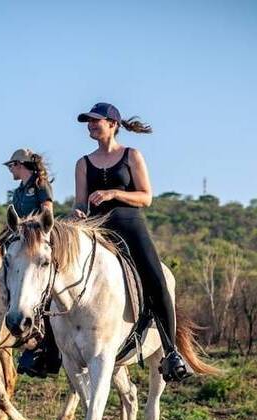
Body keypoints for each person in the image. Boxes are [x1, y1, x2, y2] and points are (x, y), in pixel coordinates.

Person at [73, 102, 192, 382]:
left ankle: (172, 352)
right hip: (97, 229)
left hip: (130, 226)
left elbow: (146, 197)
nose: (90, 125)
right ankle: (49, 350)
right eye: (88, 122)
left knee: (157, 282)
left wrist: (114, 193)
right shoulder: (83, 163)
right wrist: (77, 213)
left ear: (113, 124)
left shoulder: (131, 155)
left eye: (95, 121)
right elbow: (80, 202)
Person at [3, 149, 61, 378]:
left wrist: (30, 227)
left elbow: (48, 213)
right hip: (20, 241)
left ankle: (43, 344)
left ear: (20, 164)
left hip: (38, 242)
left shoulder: (41, 185)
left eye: (11, 166)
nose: (10, 170)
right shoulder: (17, 191)